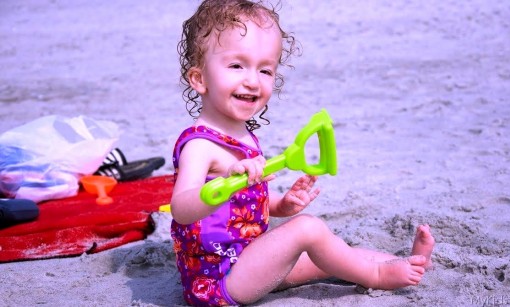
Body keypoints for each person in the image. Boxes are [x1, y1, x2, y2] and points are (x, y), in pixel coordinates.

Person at [170, 0, 435, 306]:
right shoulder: (200, 146)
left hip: (248, 257)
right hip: (217, 279)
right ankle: (376, 276)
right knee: (309, 229)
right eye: (236, 65)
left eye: (265, 70)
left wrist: (281, 204)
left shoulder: (241, 134)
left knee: (336, 254)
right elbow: (182, 208)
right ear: (199, 78)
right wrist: (227, 180)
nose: (253, 80)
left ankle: (405, 263)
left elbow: (241, 208)